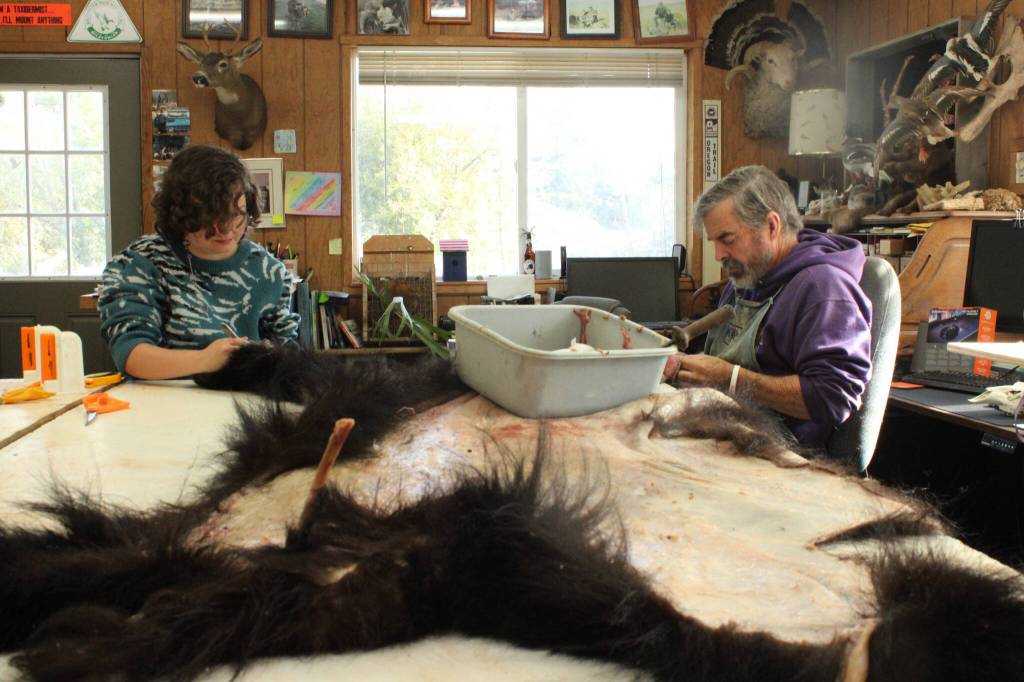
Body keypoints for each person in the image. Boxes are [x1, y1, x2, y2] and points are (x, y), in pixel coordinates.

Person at [667, 165, 872, 449]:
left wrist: (731, 378)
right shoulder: (748, 276)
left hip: (781, 454)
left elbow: (834, 396)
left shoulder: (823, 287)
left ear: (772, 226)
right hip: (723, 431)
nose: (718, 255)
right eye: (714, 242)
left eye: (727, 239)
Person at [99, 145, 299, 380]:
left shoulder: (269, 271)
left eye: (236, 215)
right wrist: (205, 360)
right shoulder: (139, 264)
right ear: (179, 214)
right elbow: (131, 355)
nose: (225, 230)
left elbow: (290, 356)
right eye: (209, 218)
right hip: (162, 404)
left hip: (246, 404)